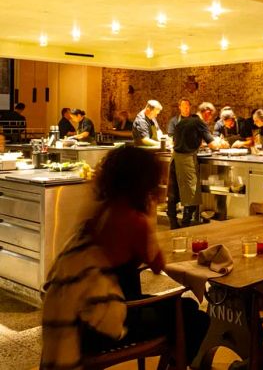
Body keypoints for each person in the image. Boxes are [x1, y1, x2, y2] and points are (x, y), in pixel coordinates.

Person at [40, 147, 208, 368]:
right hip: (112, 319)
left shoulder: (101, 210)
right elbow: (158, 265)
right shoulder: (133, 219)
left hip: (81, 314)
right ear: (144, 180)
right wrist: (150, 210)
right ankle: (176, 364)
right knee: (194, 316)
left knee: (183, 310)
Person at [169, 102, 227, 228]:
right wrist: (221, 143)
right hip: (186, 159)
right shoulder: (199, 123)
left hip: (174, 158)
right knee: (192, 193)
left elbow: (178, 141)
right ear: (207, 112)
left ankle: (173, 222)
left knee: (174, 192)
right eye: (211, 116)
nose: (210, 119)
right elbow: (213, 146)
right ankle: (186, 224)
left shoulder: (182, 122)